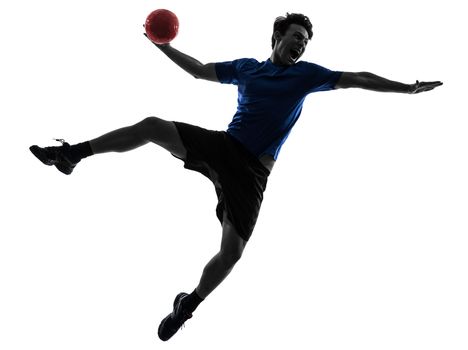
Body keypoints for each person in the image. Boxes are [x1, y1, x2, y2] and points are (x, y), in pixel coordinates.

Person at [29, 13, 442, 341]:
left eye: (306, 41)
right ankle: (71, 154)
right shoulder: (246, 69)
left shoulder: (308, 75)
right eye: (296, 36)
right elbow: (197, 69)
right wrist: (163, 46)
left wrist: (406, 88)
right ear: (277, 36)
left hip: (251, 173)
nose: (301, 44)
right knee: (152, 125)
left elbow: (359, 78)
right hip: (223, 147)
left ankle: (187, 305)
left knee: (232, 254)